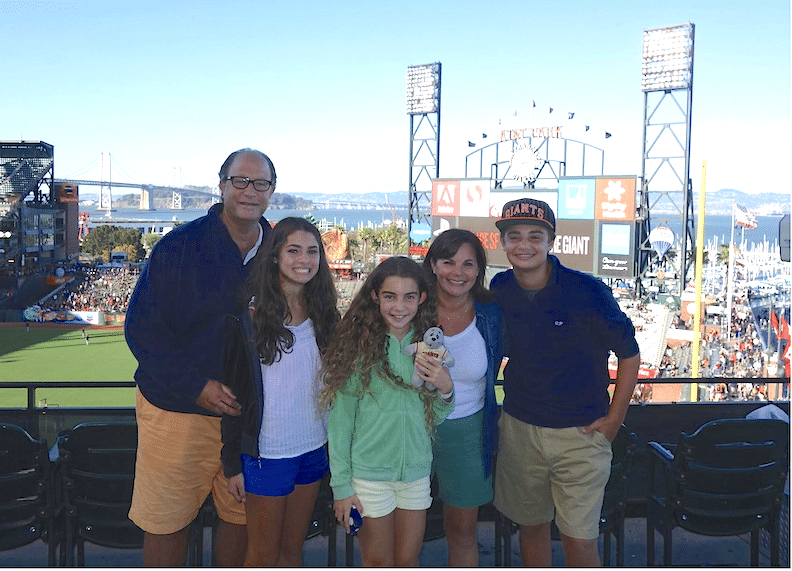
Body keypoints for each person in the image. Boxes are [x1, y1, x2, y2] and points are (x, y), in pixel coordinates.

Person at [124, 148, 276, 566]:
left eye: (260, 183)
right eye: (240, 181)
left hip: (251, 418)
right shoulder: (179, 246)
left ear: (271, 191)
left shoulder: (281, 253)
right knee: (167, 525)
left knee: (242, 521)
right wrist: (197, 387)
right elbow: (141, 329)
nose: (249, 191)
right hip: (178, 412)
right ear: (222, 185)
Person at [490, 198, 640, 567]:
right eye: (515, 236)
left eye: (535, 236)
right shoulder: (501, 286)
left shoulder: (587, 291)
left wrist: (614, 420)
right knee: (531, 529)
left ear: (551, 242)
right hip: (521, 428)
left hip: (581, 434)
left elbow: (630, 354)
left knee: (580, 541)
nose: (524, 245)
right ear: (504, 243)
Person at [220, 217, 340, 566]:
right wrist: (232, 464)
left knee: (292, 550)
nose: (304, 259)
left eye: (312, 251)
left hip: (313, 448)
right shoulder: (249, 315)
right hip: (267, 454)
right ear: (275, 256)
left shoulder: (324, 313)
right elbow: (232, 393)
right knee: (262, 554)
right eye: (294, 250)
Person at [321, 256, 455, 567]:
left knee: (408, 561)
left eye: (409, 297)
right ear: (374, 297)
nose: (399, 307)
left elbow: (435, 414)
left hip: (417, 475)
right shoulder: (357, 347)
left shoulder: (430, 345)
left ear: (421, 298)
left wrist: (446, 389)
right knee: (378, 562)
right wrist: (341, 486)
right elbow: (340, 423)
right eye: (389, 296)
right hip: (369, 478)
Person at [422, 229, 503, 566]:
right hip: (411, 429)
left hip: (469, 431)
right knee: (402, 529)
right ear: (432, 264)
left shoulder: (491, 313)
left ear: (479, 270)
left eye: (468, 264)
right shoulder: (411, 306)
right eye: (449, 262)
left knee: (463, 533)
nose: (458, 272)